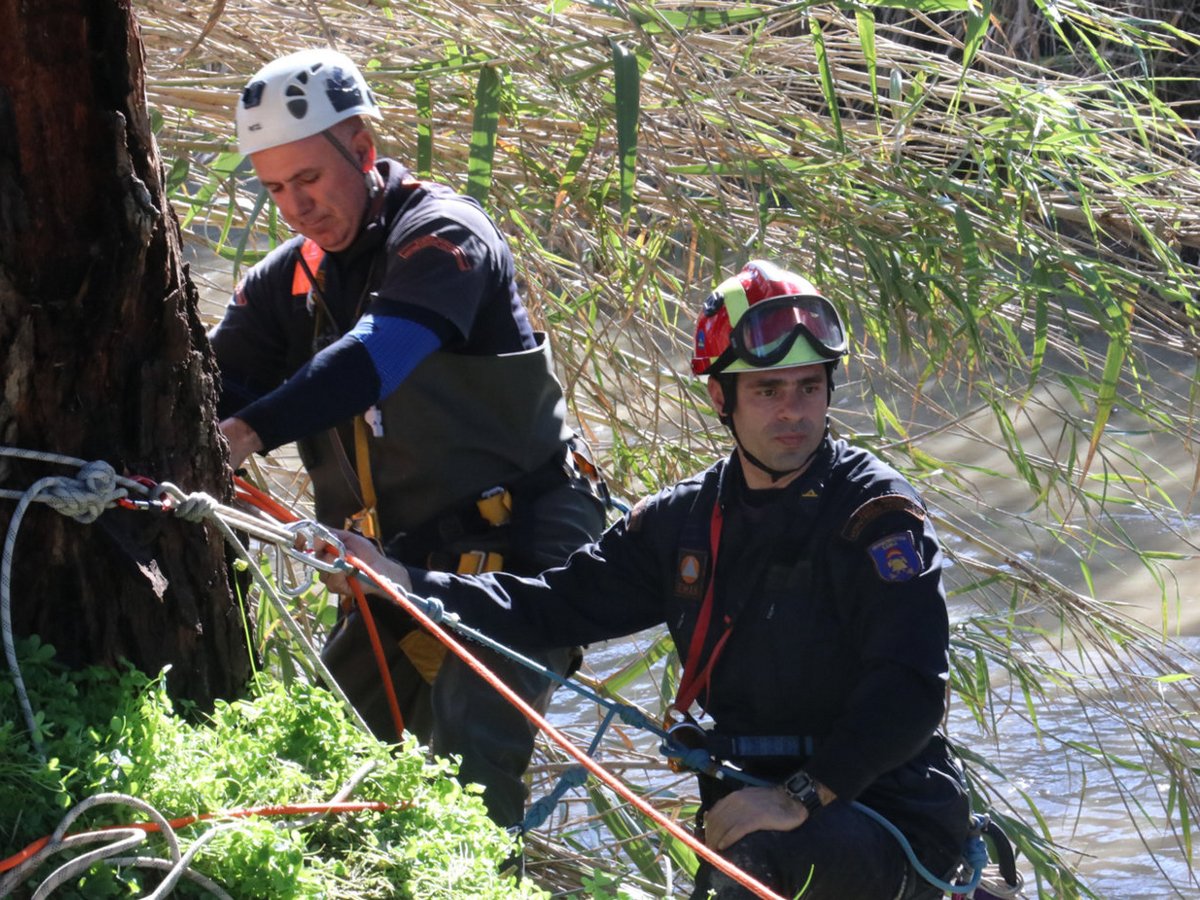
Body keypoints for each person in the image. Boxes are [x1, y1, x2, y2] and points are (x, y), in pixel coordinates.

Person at [323, 260, 972, 898]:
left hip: (886, 814)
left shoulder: (876, 517)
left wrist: (797, 795)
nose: (793, 412)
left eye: (809, 386)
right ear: (721, 397)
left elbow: (911, 691)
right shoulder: (684, 523)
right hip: (751, 813)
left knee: (751, 862)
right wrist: (397, 580)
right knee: (746, 857)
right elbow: (550, 607)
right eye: (767, 391)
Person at [207, 48, 607, 829]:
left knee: (466, 766)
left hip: (523, 548)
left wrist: (249, 431)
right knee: (311, 765)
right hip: (393, 563)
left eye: (310, 179)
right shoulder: (287, 281)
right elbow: (209, 384)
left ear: (361, 148)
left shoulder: (446, 235)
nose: (295, 206)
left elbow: (378, 357)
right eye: (275, 188)